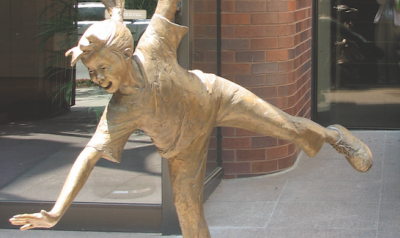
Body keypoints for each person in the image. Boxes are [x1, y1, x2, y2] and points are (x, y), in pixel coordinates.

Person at [10, 0, 373, 237]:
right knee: (188, 213)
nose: (98, 78)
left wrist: (117, 13)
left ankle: (334, 136)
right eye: (91, 73)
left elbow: (167, 3)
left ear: (125, 53)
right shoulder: (120, 111)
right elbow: (87, 156)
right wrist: (57, 211)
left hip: (214, 96)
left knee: (286, 125)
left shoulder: (151, 43)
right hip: (182, 149)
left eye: (102, 67)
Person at [374, 0, 400, 84]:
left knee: (392, 51)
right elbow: (379, 1)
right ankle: (382, 78)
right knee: (380, 49)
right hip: (381, 20)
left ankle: (393, 78)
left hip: (394, 23)